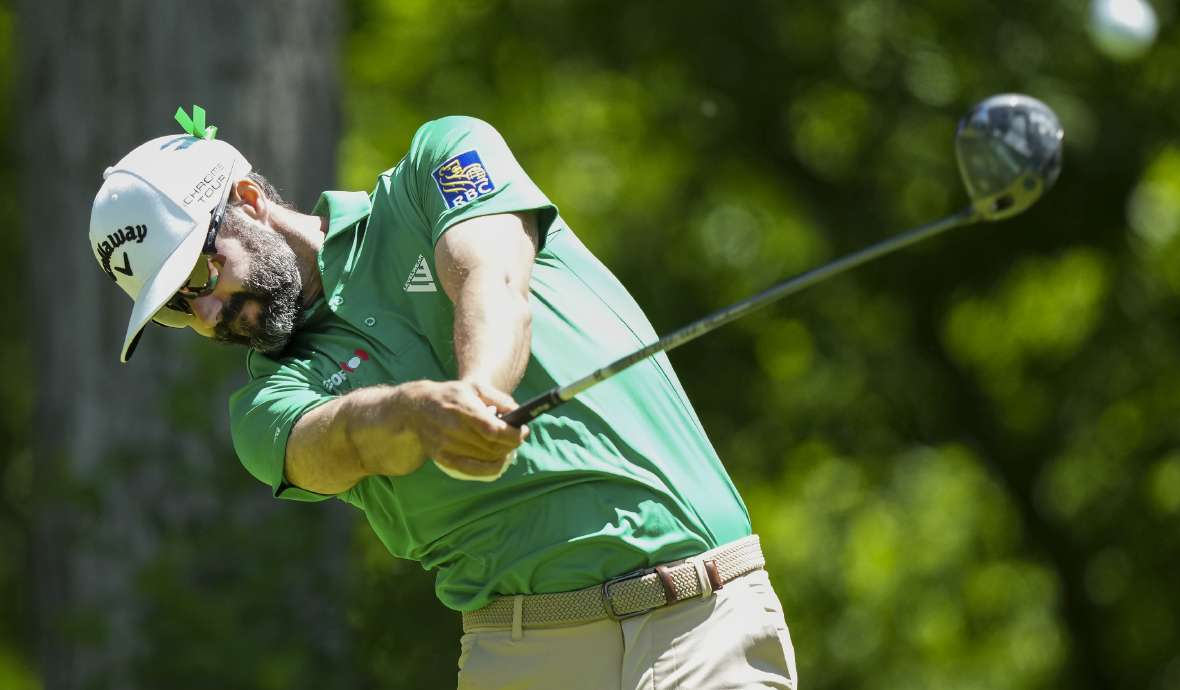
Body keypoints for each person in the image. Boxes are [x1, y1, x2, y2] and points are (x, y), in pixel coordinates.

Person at [89, 105, 798, 689]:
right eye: (176, 311)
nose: (206, 316)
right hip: (523, 660)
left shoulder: (440, 162)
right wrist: (419, 416)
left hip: (703, 619)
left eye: (199, 273)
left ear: (247, 201)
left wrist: (479, 390)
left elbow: (491, 275)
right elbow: (346, 440)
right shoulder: (264, 405)